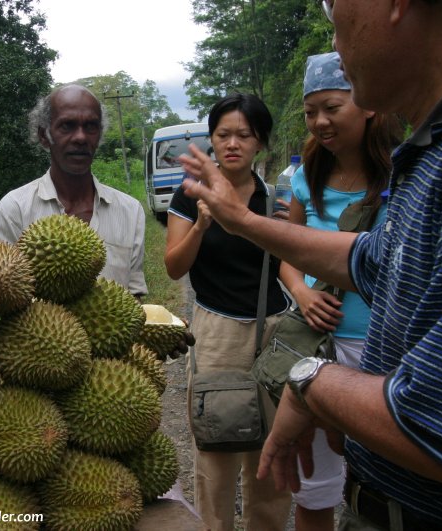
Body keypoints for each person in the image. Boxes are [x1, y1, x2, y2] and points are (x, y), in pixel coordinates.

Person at [178, 0, 442, 528]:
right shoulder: (434, 151)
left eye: (336, 20)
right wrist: (239, 220)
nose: (335, 42)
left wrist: (311, 380)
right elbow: (372, 259)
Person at [281, 51, 401, 531]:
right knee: (316, 487)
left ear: (367, 104)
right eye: (311, 112)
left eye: (332, 107)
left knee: (383, 482)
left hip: (386, 352)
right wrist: (302, 294)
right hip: (318, 349)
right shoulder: (307, 179)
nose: (320, 122)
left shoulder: (403, 176)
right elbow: (289, 253)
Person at [164, 92, 292, 531]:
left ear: (261, 143)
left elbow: (289, 261)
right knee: (216, 452)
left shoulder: (273, 198)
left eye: (245, 134)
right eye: (224, 134)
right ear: (211, 140)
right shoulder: (190, 195)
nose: (233, 143)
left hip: (273, 332)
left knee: (271, 454)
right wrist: (202, 223)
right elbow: (174, 265)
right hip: (216, 333)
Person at [0, 84, 147, 297]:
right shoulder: (13, 210)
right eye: (67, 126)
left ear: (99, 135)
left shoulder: (130, 211)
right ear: (44, 136)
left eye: (91, 126)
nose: (81, 137)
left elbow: (134, 297)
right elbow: (2, 297)